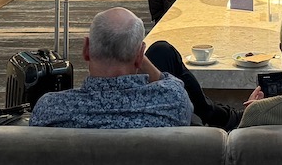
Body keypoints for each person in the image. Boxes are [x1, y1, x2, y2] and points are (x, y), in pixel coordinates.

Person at [30, 7, 194, 129]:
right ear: (139, 57)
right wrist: (136, 54)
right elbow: (176, 91)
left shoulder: (49, 109)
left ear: (86, 50)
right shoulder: (172, 101)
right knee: (162, 51)